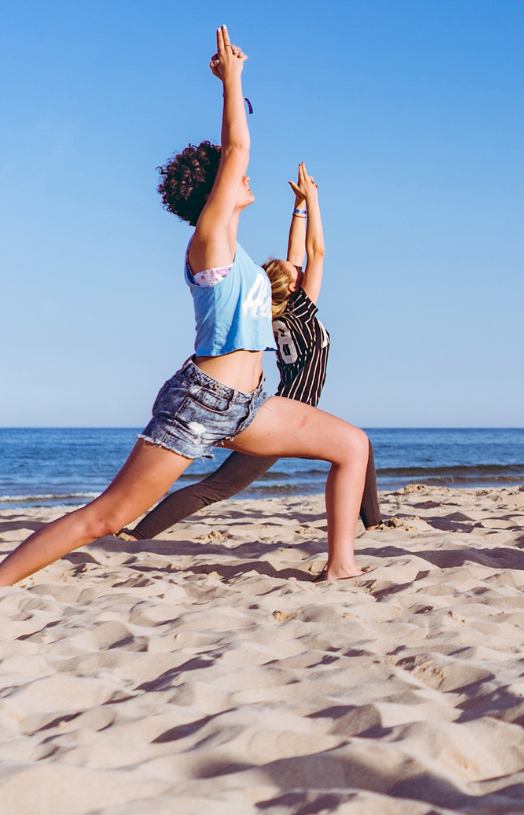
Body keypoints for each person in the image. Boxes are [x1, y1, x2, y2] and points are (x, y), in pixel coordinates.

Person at [0, 27, 374, 589]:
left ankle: (341, 566)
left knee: (352, 444)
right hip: (201, 403)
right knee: (109, 516)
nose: (245, 176)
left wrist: (304, 209)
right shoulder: (209, 244)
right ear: (215, 191)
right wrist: (232, 82)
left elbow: (285, 235)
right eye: (233, 178)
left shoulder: (239, 254)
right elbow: (237, 150)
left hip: (251, 405)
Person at [115, 162, 382, 542]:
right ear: (290, 290)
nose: (300, 271)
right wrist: (315, 201)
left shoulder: (271, 312)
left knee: (357, 444)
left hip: (277, 408)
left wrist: (299, 207)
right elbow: (315, 252)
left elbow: (298, 255)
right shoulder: (302, 310)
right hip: (281, 415)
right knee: (218, 488)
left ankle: (375, 525)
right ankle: (138, 535)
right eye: (295, 274)